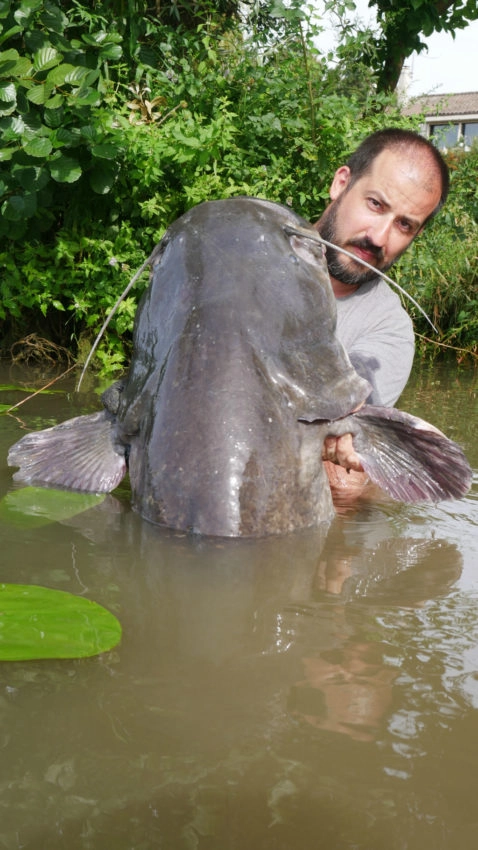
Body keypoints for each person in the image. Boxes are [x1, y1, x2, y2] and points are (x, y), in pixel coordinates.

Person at [314, 128, 450, 504]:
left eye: (404, 225)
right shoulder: (247, 258)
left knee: (346, 478)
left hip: (297, 482)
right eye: (375, 204)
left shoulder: (390, 327)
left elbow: (361, 392)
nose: (379, 237)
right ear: (341, 183)